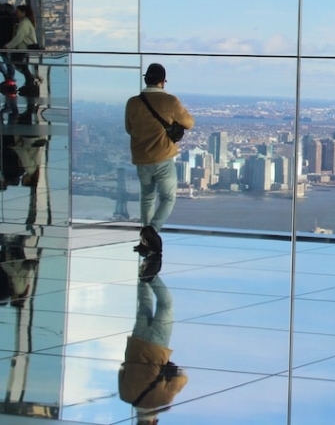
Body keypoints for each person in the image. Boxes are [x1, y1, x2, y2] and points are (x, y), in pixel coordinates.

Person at [125, 64, 194, 256]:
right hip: (163, 157)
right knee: (168, 198)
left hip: (141, 158)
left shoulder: (133, 102)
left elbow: (128, 128)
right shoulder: (170, 101)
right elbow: (189, 123)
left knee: (147, 197)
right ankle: (152, 231)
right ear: (163, 82)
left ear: (146, 79)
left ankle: (145, 239)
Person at [119, 266, 188, 423]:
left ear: (153, 422)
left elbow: (182, 378)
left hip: (157, 346)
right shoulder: (125, 396)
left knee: (166, 304)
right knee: (144, 304)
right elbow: (122, 370)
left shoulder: (162, 401)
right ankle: (143, 272)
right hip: (136, 343)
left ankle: (151, 276)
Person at [5, 5, 40, 95]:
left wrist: (8, 46)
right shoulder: (25, 22)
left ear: (23, 12)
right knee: (23, 66)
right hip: (24, 49)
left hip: (23, 49)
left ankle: (31, 82)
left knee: (21, 65)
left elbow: (19, 37)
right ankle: (31, 82)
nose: (16, 14)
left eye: (18, 12)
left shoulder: (24, 23)